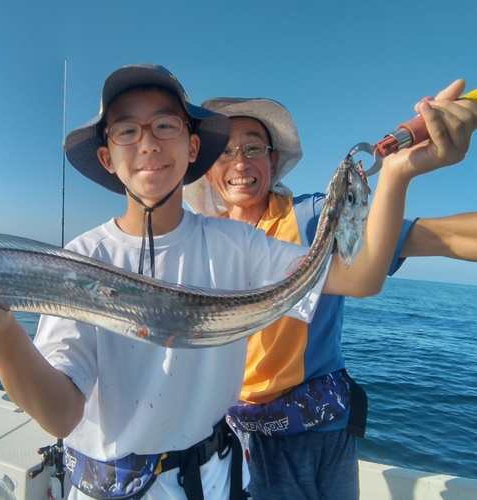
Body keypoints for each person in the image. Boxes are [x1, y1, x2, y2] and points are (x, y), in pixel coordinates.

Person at [0, 64, 472, 500]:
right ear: (107, 156)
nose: (148, 141)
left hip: (216, 480)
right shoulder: (80, 261)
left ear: (192, 148)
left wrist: (398, 174)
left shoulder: (240, 245)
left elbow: (361, 276)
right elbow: (61, 415)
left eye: (165, 125)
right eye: (126, 130)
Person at [183, 85, 477, 500]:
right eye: (225, 153)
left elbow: (434, 237)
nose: (240, 163)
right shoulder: (200, 244)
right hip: (245, 440)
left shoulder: (312, 217)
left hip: (324, 430)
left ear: (273, 160)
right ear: (210, 170)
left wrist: (399, 170)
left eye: (253, 148)